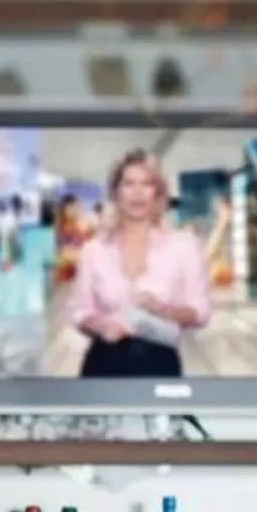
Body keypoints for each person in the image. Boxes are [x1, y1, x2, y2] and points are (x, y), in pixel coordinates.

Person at [61, 149, 213, 380]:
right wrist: (103, 326)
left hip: (157, 363)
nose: (137, 193)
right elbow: (81, 311)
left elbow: (200, 310)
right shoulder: (94, 250)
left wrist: (164, 310)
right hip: (105, 362)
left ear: (158, 193)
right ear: (116, 192)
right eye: (129, 184)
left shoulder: (184, 245)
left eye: (146, 184)